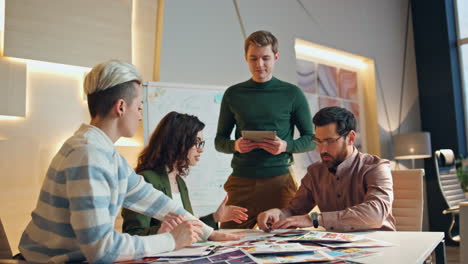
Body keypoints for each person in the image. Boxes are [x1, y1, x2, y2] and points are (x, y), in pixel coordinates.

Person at [18, 60, 240, 263]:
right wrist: (171, 240)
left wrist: (208, 232)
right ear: (121, 107)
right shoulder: (88, 156)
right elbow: (102, 250)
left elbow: (154, 201)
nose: (141, 115)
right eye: (140, 107)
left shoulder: (105, 153)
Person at [215, 30, 315, 229]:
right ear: (246, 58)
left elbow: (311, 139)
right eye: (253, 58)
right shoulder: (233, 94)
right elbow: (220, 141)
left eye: (265, 58)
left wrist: (285, 145)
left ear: (276, 57)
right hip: (241, 181)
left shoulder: (292, 94)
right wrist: (236, 145)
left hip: (280, 183)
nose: (259, 64)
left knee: (287, 246)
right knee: (228, 244)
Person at [257, 106, 396, 232]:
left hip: (379, 244)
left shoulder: (376, 167)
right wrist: (278, 214)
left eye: (329, 141)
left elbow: (375, 214)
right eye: (318, 141)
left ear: (350, 138)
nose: (322, 150)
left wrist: (314, 219)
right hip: (336, 248)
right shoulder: (315, 172)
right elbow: (294, 211)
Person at [122, 111, 248, 235]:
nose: (200, 149)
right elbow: (133, 234)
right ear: (177, 141)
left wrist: (215, 217)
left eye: (201, 143)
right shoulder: (146, 179)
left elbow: (188, 227)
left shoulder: (179, 182)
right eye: (196, 142)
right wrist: (165, 232)